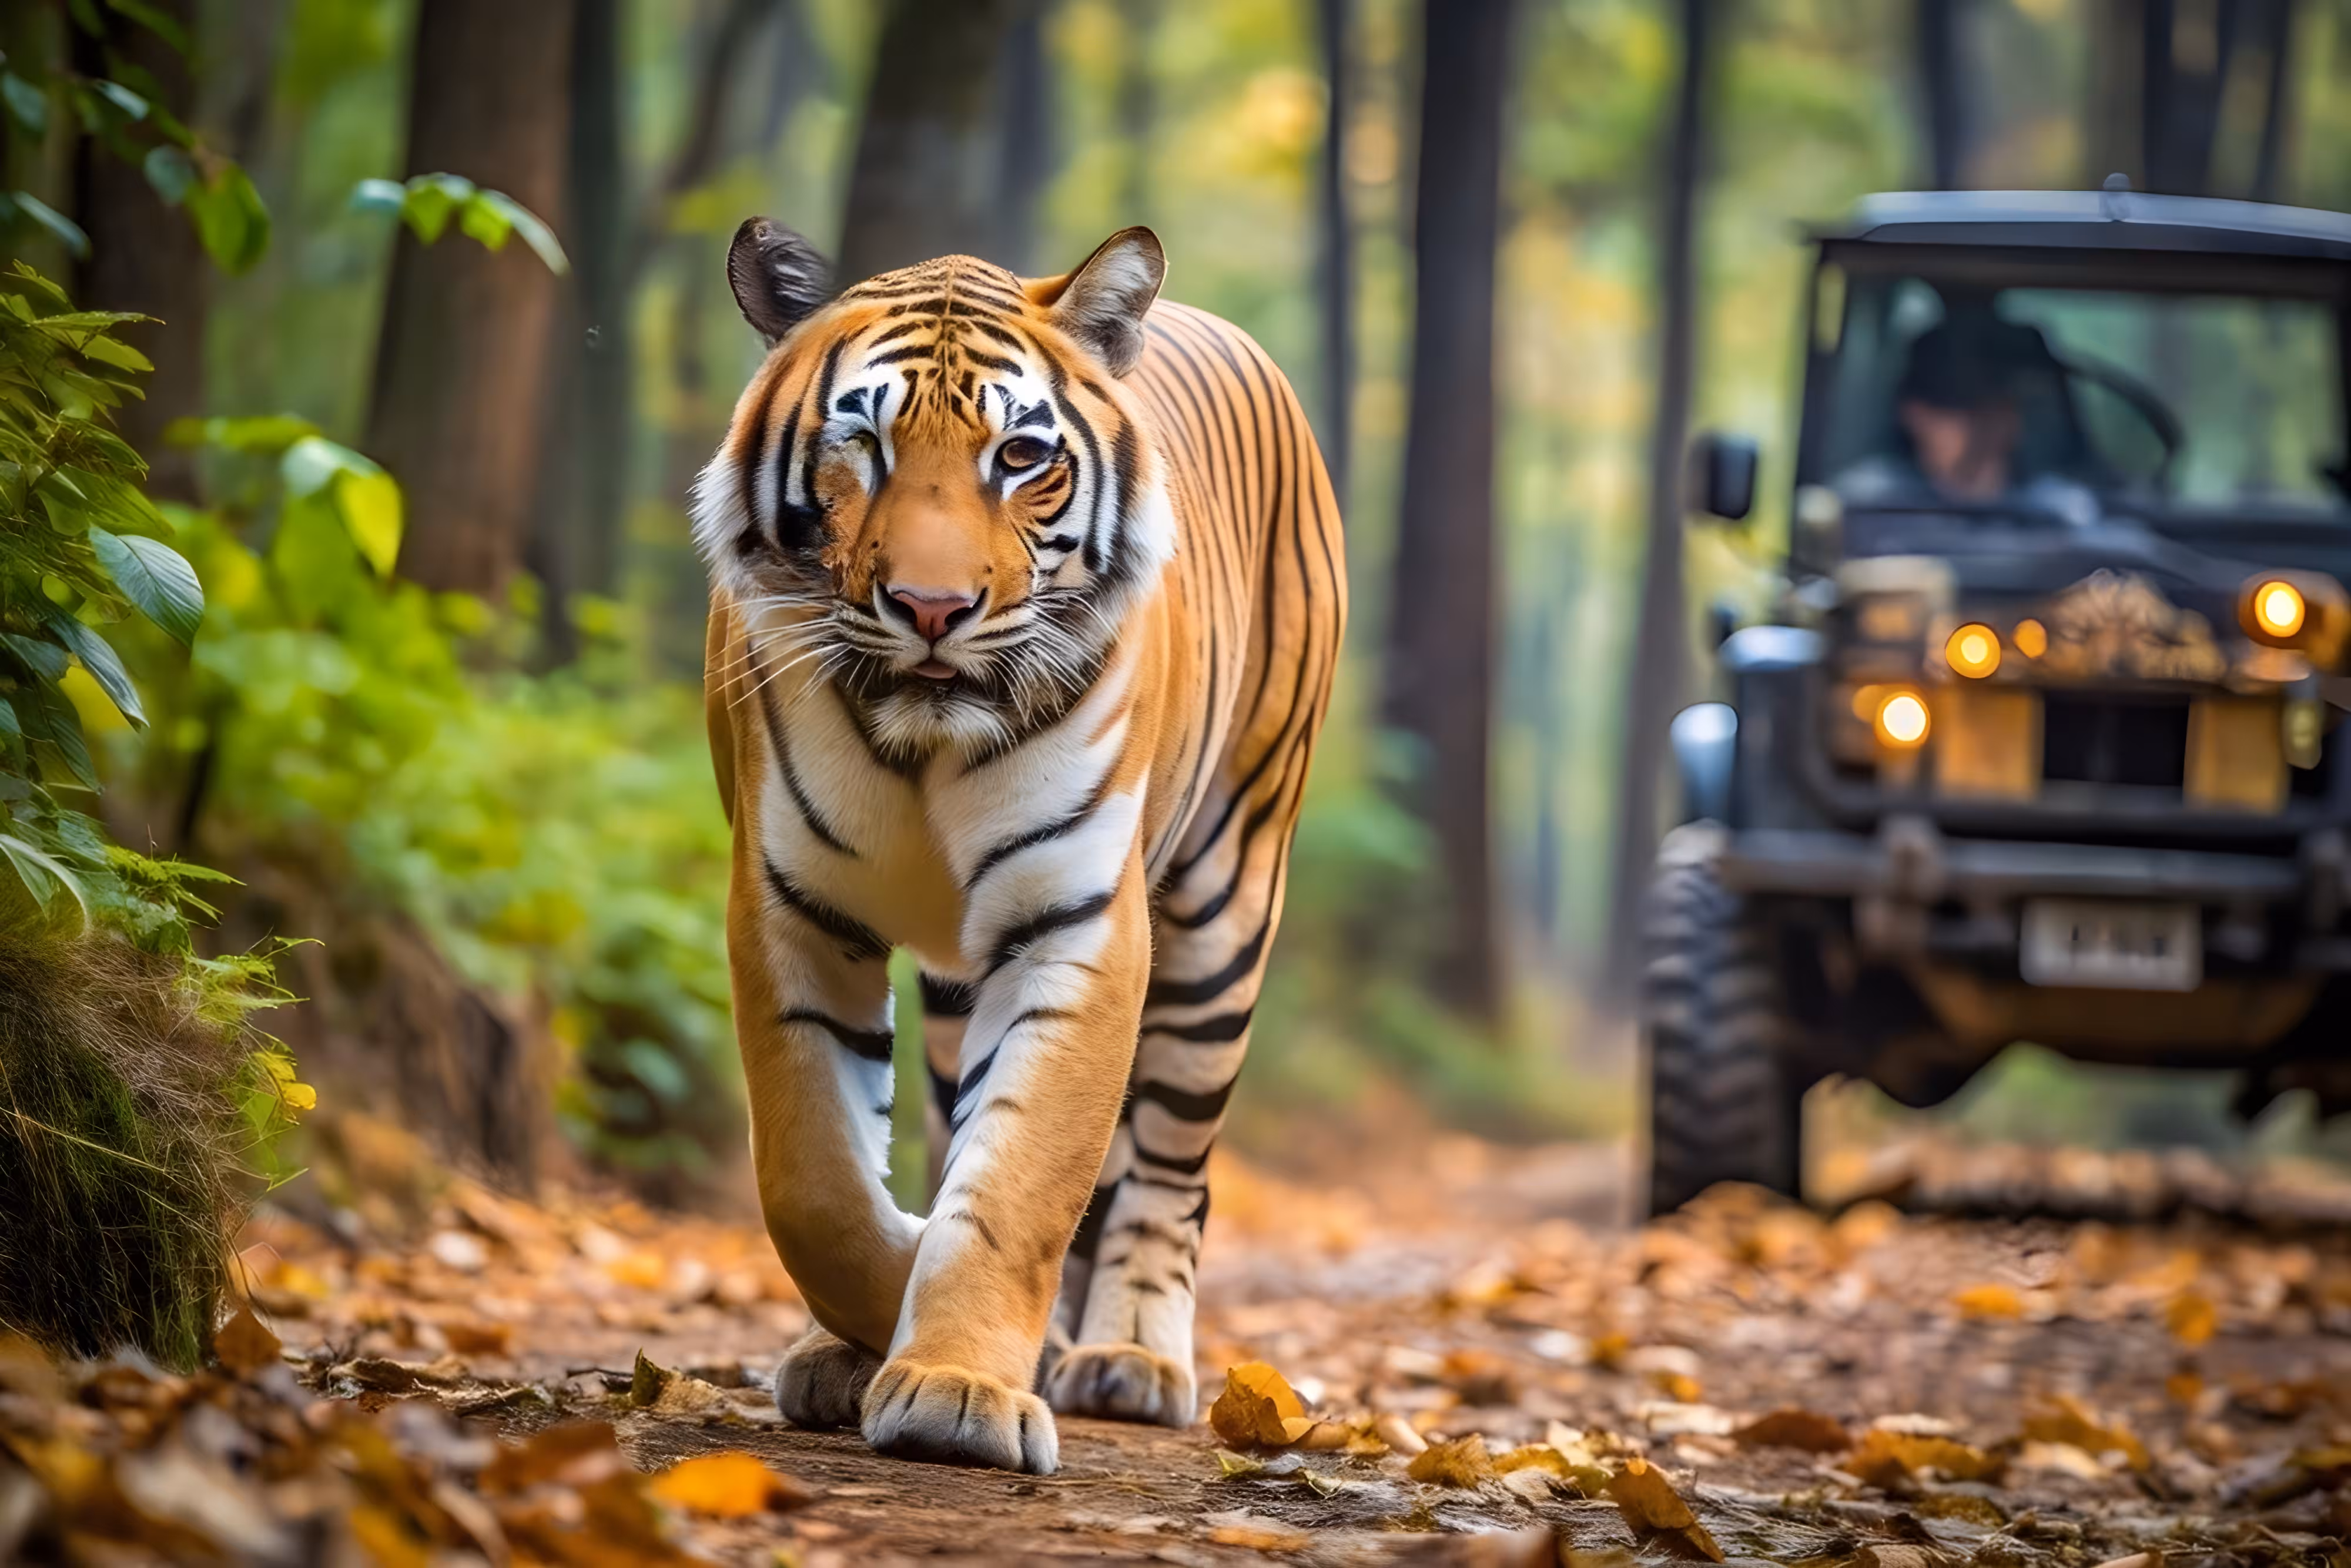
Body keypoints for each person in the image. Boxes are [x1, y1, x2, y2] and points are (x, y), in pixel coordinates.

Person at [1839, 314, 2099, 524]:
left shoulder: (2062, 515)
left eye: (1983, 408)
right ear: (1911, 412)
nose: (1974, 427)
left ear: (2011, 417)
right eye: (1948, 407)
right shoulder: (1869, 509)